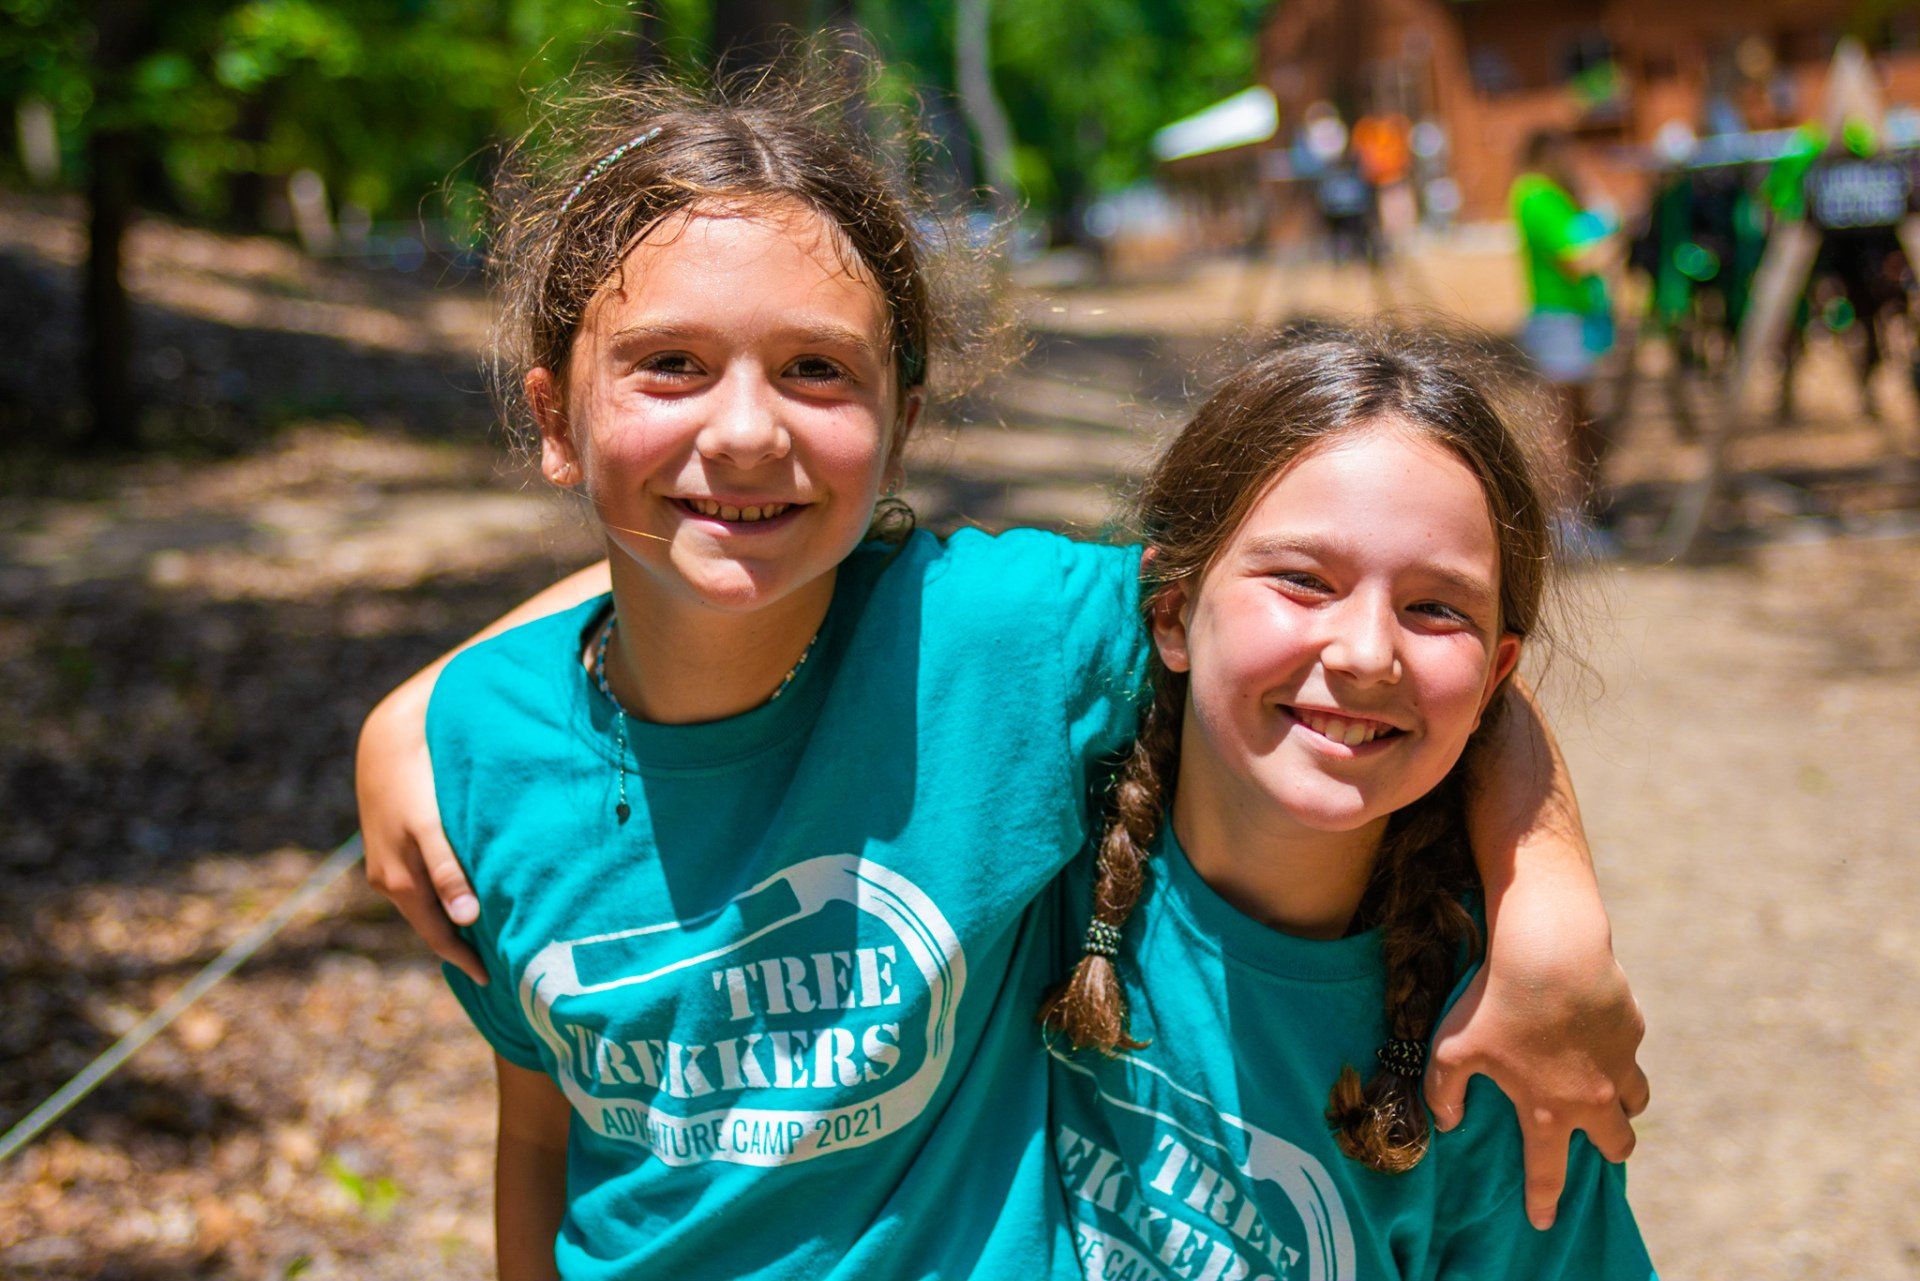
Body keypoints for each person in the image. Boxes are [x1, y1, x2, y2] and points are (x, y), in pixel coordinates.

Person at [354, 61, 1647, 1280]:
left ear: (901, 425)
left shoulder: (997, 635)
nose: (744, 429)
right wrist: (415, 717)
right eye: (671, 365)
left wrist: (1552, 913)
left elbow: (1338, 640)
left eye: (815, 369)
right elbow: (539, 1129)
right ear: (551, 419)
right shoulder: (478, 758)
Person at [1042, 323, 1654, 1277]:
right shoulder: (1028, 857)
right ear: (1171, 612)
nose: (1367, 651)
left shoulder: (1498, 1049)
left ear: (1495, 681)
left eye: (1436, 606)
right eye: (1302, 580)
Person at [1511, 130, 1618, 528]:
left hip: (1576, 320)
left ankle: (1583, 513)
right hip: (1559, 321)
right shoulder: (1536, 195)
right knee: (1564, 425)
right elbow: (1580, 259)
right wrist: (1615, 234)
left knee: (1582, 422)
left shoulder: (1552, 194)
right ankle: (1563, 519)